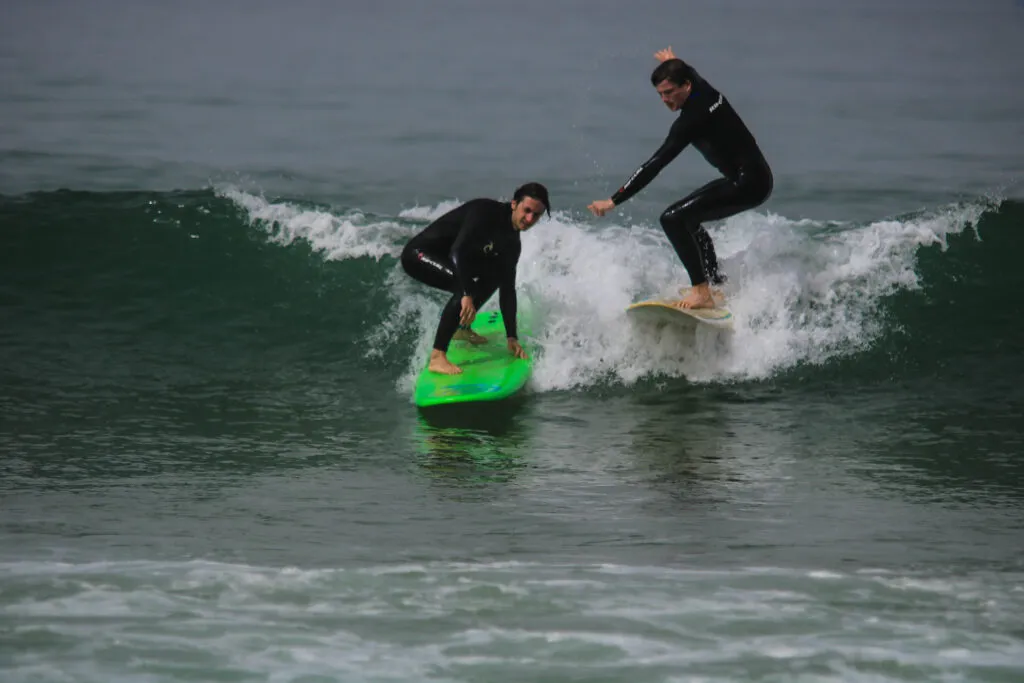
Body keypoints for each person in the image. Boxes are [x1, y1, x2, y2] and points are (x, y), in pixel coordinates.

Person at [588, 47, 773, 309]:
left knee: (672, 219)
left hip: (748, 184)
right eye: (660, 95)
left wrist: (614, 200)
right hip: (754, 178)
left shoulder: (691, 119)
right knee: (690, 219)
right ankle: (714, 282)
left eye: (669, 93)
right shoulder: (701, 88)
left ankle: (701, 291)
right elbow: (690, 71)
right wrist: (671, 61)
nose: (664, 100)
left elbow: (655, 163)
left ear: (685, 86)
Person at [401, 182, 550, 375]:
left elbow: (507, 290)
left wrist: (511, 337)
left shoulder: (512, 243)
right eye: (527, 210)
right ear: (514, 204)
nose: (530, 218)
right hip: (419, 254)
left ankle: (462, 328)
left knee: (497, 274)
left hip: (450, 258)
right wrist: (466, 293)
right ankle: (437, 357)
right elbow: (458, 251)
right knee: (464, 286)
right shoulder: (485, 212)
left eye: (536, 215)